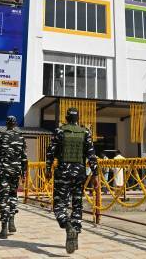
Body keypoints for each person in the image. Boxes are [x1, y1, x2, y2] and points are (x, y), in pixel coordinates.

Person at [45, 107, 98, 254]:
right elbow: (92, 155)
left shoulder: (59, 131)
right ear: (78, 118)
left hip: (62, 172)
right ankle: (75, 237)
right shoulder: (86, 132)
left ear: (66, 118)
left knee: (59, 205)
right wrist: (96, 175)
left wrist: (48, 169)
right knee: (77, 205)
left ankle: (68, 227)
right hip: (79, 173)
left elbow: (50, 152)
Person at [0, 116, 27, 239]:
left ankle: (4, 228)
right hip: (15, 172)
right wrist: (24, 172)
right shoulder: (21, 137)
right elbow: (24, 157)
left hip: (3, 171)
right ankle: (12, 220)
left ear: (7, 124)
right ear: (15, 124)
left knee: (4, 197)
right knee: (13, 195)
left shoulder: (0, 136)